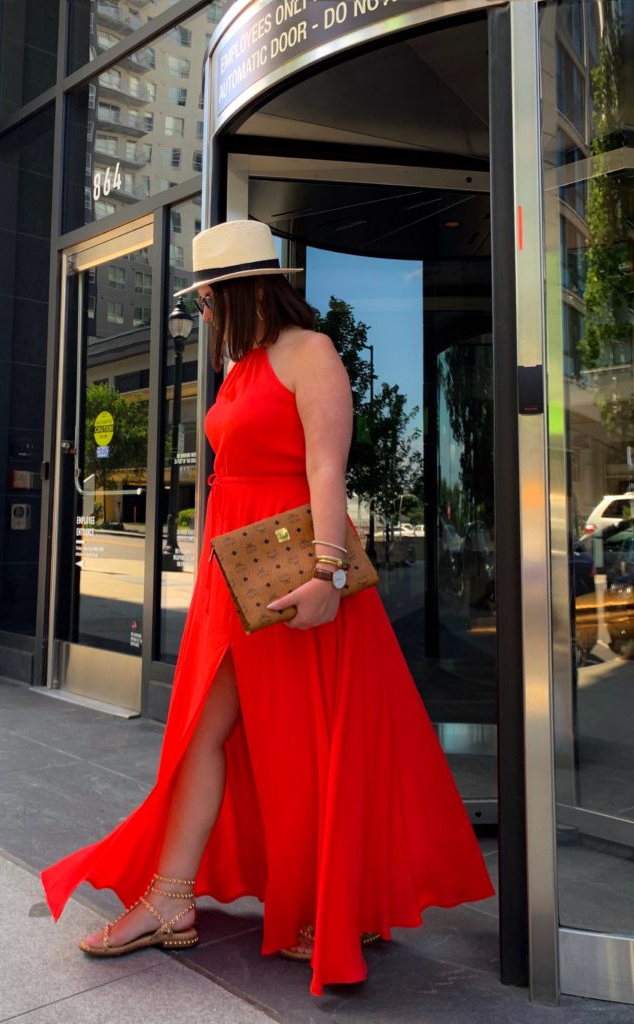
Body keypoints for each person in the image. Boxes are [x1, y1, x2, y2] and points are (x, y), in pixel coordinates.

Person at [41, 219, 494, 996]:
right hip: (234, 575)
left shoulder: (310, 354)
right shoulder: (242, 365)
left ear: (245, 290)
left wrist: (326, 576)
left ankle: (324, 899)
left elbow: (326, 467)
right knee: (197, 736)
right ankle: (169, 900)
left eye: (209, 298)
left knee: (308, 739)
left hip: (292, 573)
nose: (205, 312)